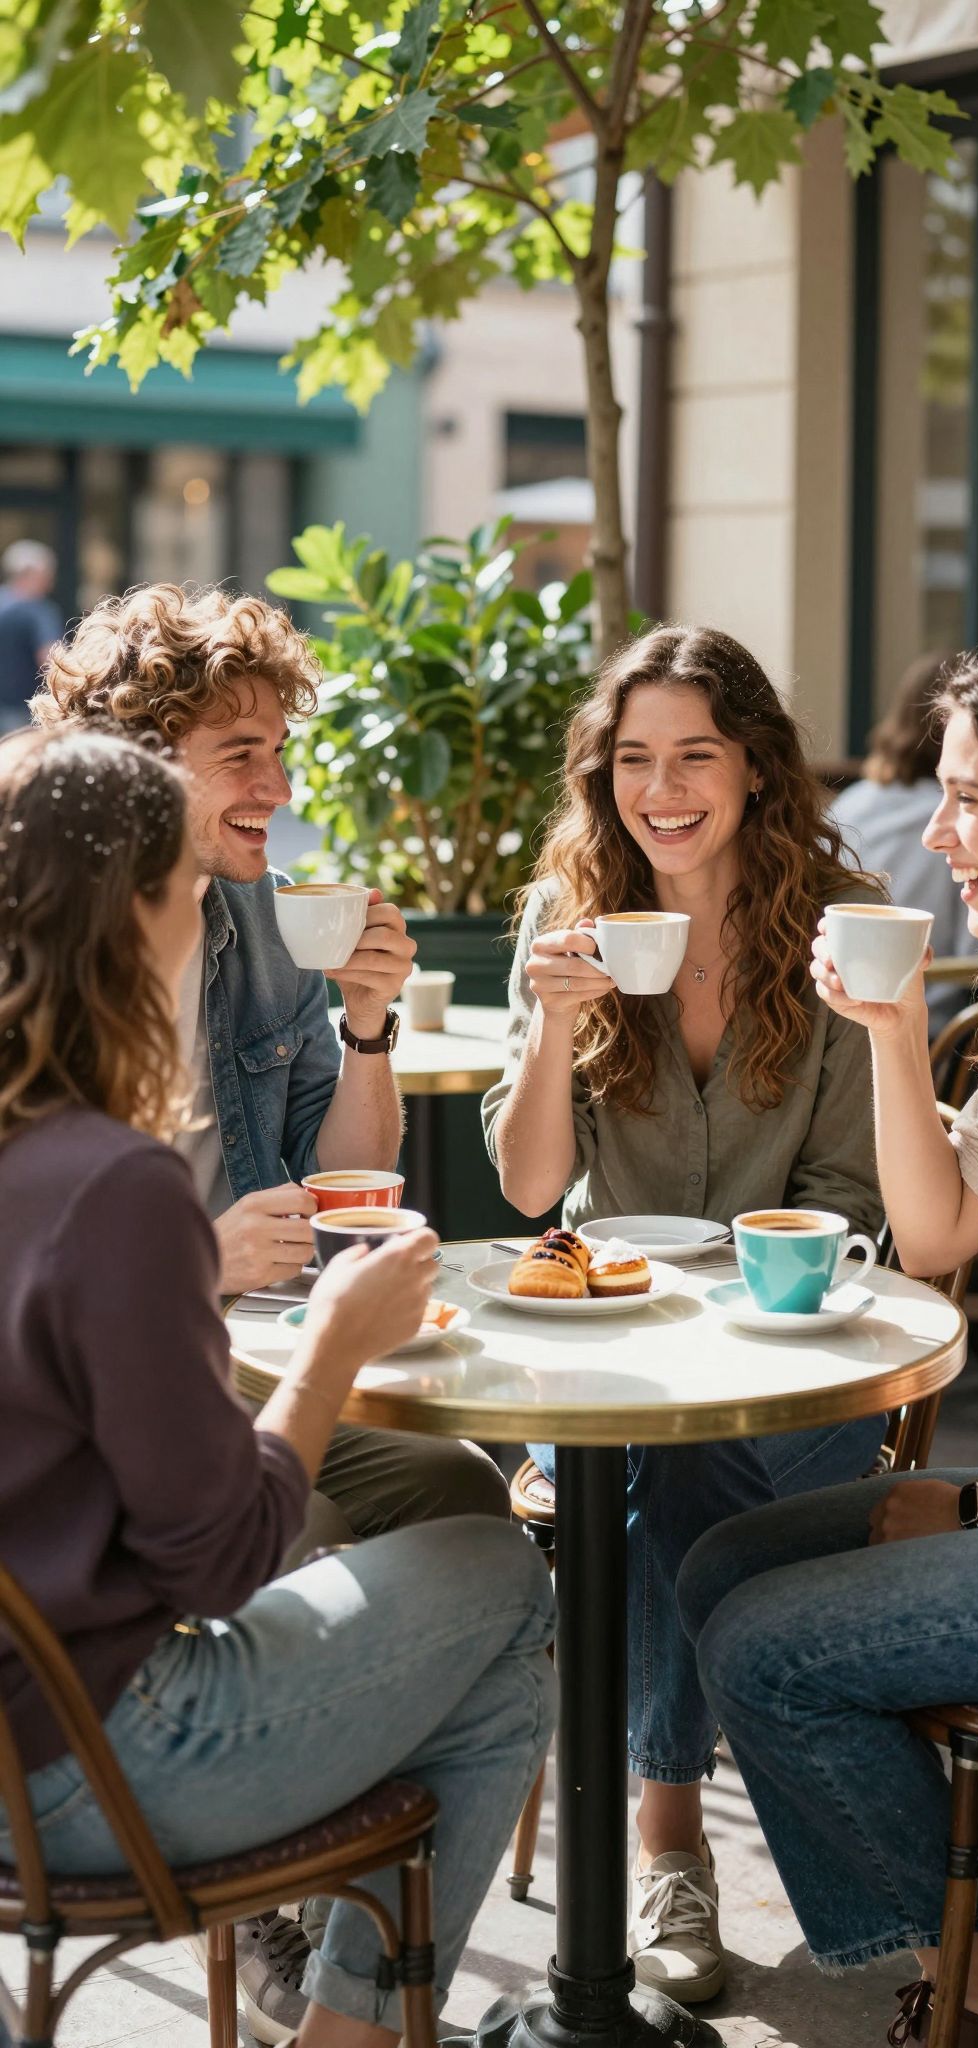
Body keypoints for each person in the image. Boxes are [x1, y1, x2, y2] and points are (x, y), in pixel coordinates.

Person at [0, 726, 556, 2048]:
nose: (209, 922)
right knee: (502, 1577)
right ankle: (353, 2032)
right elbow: (220, 1557)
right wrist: (335, 1346)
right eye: (190, 895)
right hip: (98, 1761)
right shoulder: (116, 1185)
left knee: (460, 1596)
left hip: (22, 1734)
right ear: (135, 917)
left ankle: (349, 2027)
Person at [679, 634, 978, 2045]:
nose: (934, 829)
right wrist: (891, 1028)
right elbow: (940, 1230)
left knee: (769, 1649)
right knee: (724, 1566)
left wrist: (967, 1503)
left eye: (966, 797)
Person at [481, 624, 886, 2003]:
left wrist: (743, 1293)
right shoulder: (567, 925)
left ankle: (663, 1841)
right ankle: (717, 1828)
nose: (664, 789)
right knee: (670, 1458)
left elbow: (847, 1195)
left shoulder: (840, 928)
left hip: (803, 1378)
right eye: (635, 758)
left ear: (756, 769)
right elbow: (535, 1188)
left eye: (696, 756)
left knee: (684, 1470)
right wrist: (547, 1028)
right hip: (615, 1366)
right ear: (606, 780)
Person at [829, 650, 978, 1037]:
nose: (934, 836)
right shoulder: (967, 824)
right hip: (932, 1037)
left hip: (836, 1018)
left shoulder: (848, 805)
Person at [0, 539, 61, 732]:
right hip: (25, 712)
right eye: (47, 575)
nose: (51, 582)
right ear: (31, 574)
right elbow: (50, 659)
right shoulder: (38, 610)